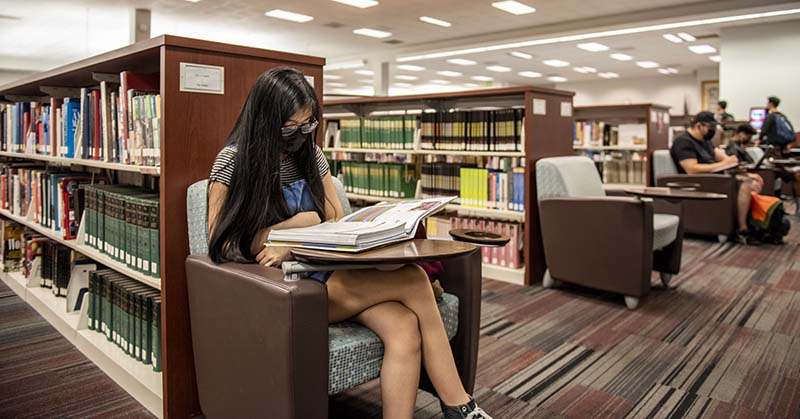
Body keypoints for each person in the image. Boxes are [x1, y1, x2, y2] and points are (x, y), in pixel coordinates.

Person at [206, 67, 492, 419]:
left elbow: (335, 217)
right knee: (415, 280)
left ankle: (454, 407)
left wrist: (306, 226)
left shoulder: (310, 156)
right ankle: (460, 406)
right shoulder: (233, 161)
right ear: (266, 120)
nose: (300, 135)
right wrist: (297, 228)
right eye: (290, 128)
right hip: (285, 289)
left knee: (404, 326)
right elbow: (221, 243)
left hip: (326, 271)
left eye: (308, 125)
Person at [670, 111, 763, 244]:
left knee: (753, 182)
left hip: (715, 179)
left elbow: (725, 159)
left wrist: (742, 171)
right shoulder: (683, 142)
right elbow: (691, 169)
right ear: (698, 125)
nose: (713, 130)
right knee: (746, 184)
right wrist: (724, 164)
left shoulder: (706, 141)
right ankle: (742, 230)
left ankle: (749, 223)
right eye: (710, 127)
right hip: (697, 182)